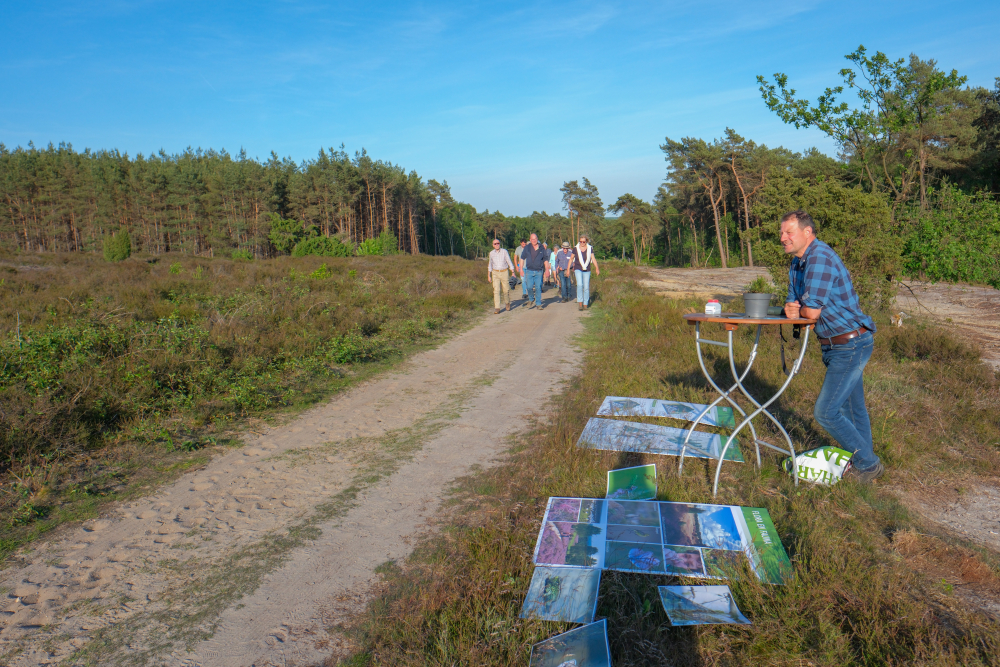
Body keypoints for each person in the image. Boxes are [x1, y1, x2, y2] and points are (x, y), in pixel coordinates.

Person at [781, 209, 882, 484]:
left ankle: (868, 464)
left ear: (807, 232)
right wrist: (793, 308)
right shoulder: (797, 263)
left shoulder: (819, 258)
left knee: (825, 412)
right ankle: (864, 466)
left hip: (850, 343)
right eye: (781, 232)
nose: (783, 238)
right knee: (853, 410)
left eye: (789, 232)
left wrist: (800, 310)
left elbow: (810, 313)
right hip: (835, 345)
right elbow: (793, 304)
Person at [519, 233, 551, 309]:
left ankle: (538, 304)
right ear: (530, 240)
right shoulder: (527, 248)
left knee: (538, 287)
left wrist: (547, 270)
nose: (534, 240)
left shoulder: (542, 248)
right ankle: (531, 299)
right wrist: (521, 269)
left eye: (535, 239)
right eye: (532, 239)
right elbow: (522, 258)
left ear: (537, 239)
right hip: (529, 271)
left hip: (539, 271)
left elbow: (545, 259)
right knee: (529, 287)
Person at [486, 238, 515, 313]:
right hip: (495, 273)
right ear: (493, 245)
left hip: (504, 272)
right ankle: (497, 308)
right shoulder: (491, 253)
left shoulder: (504, 251)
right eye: (495, 244)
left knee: (506, 290)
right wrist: (489, 275)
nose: (496, 245)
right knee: (496, 290)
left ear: (500, 244)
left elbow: (509, 261)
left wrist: (513, 271)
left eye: (498, 243)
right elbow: (490, 264)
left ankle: (507, 303)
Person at [573, 235, 599, 310]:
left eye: (583, 242)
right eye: (580, 241)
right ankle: (580, 303)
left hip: (587, 270)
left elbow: (593, 258)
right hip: (578, 268)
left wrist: (597, 268)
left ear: (586, 241)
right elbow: (571, 258)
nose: (582, 243)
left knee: (586, 287)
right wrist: (568, 268)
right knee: (579, 285)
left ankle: (585, 304)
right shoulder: (576, 248)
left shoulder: (590, 248)